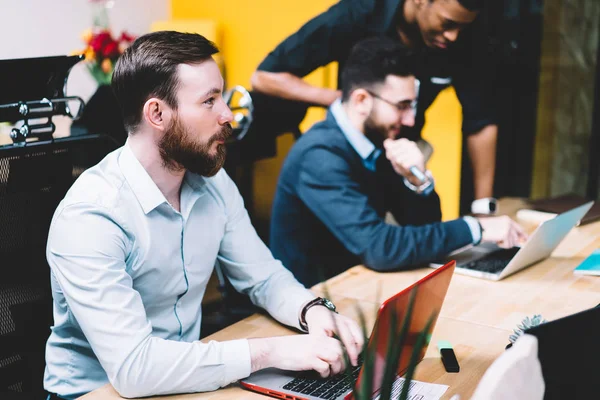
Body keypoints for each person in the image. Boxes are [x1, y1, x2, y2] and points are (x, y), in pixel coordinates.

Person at [43, 31, 363, 400]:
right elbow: (135, 369)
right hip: (98, 393)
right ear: (157, 113)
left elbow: (263, 277)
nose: (227, 115)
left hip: (187, 381)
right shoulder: (91, 216)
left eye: (222, 97)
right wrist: (270, 351)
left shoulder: (212, 182)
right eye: (209, 101)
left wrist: (313, 311)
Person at [270, 37, 526, 287]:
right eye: (402, 106)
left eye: (411, 106)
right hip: (314, 302)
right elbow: (380, 248)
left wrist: (417, 182)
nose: (410, 121)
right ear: (361, 100)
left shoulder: (375, 141)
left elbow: (423, 231)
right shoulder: (319, 156)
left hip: (361, 286)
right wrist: (475, 228)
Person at [252, 0, 498, 203]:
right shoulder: (358, 14)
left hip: (406, 152)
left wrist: (482, 208)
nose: (454, 36)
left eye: (462, 28)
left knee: (420, 236)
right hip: (352, 152)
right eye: (448, 24)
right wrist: (342, 101)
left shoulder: (466, 37)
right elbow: (264, 77)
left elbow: (481, 121)